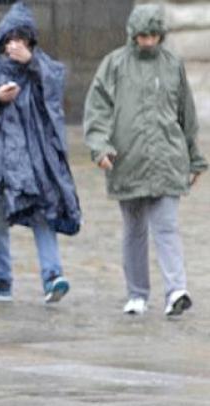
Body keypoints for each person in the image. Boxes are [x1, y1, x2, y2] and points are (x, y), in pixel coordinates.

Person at [0, 1, 81, 303]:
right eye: (11, 39)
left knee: (43, 215)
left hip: (33, 159)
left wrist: (32, 63)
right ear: (2, 40)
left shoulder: (40, 66)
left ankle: (53, 276)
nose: (16, 46)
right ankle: (2, 283)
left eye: (22, 40)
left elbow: (54, 87)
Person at [84, 4, 205, 317]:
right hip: (128, 161)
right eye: (143, 36)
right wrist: (100, 148)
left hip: (167, 159)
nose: (148, 41)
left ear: (160, 35)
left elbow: (186, 115)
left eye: (153, 35)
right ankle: (137, 293)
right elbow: (97, 111)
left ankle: (176, 290)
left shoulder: (172, 65)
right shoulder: (114, 65)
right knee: (134, 230)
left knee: (166, 227)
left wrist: (196, 159)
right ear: (133, 35)